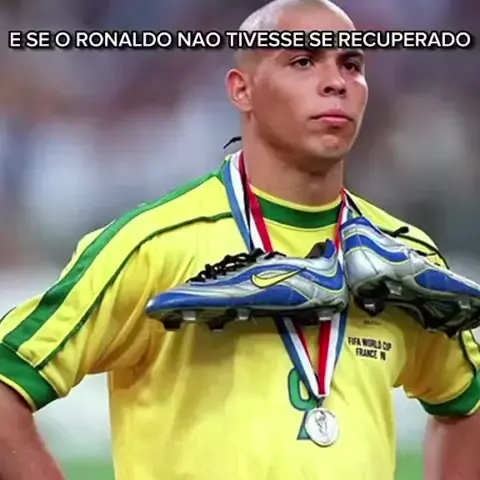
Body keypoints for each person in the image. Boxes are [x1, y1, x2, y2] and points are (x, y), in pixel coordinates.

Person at [0, 1, 479, 479]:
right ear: (242, 90)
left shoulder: (402, 256)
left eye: (351, 65)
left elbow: (466, 404)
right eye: (303, 61)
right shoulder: (154, 243)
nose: (336, 82)